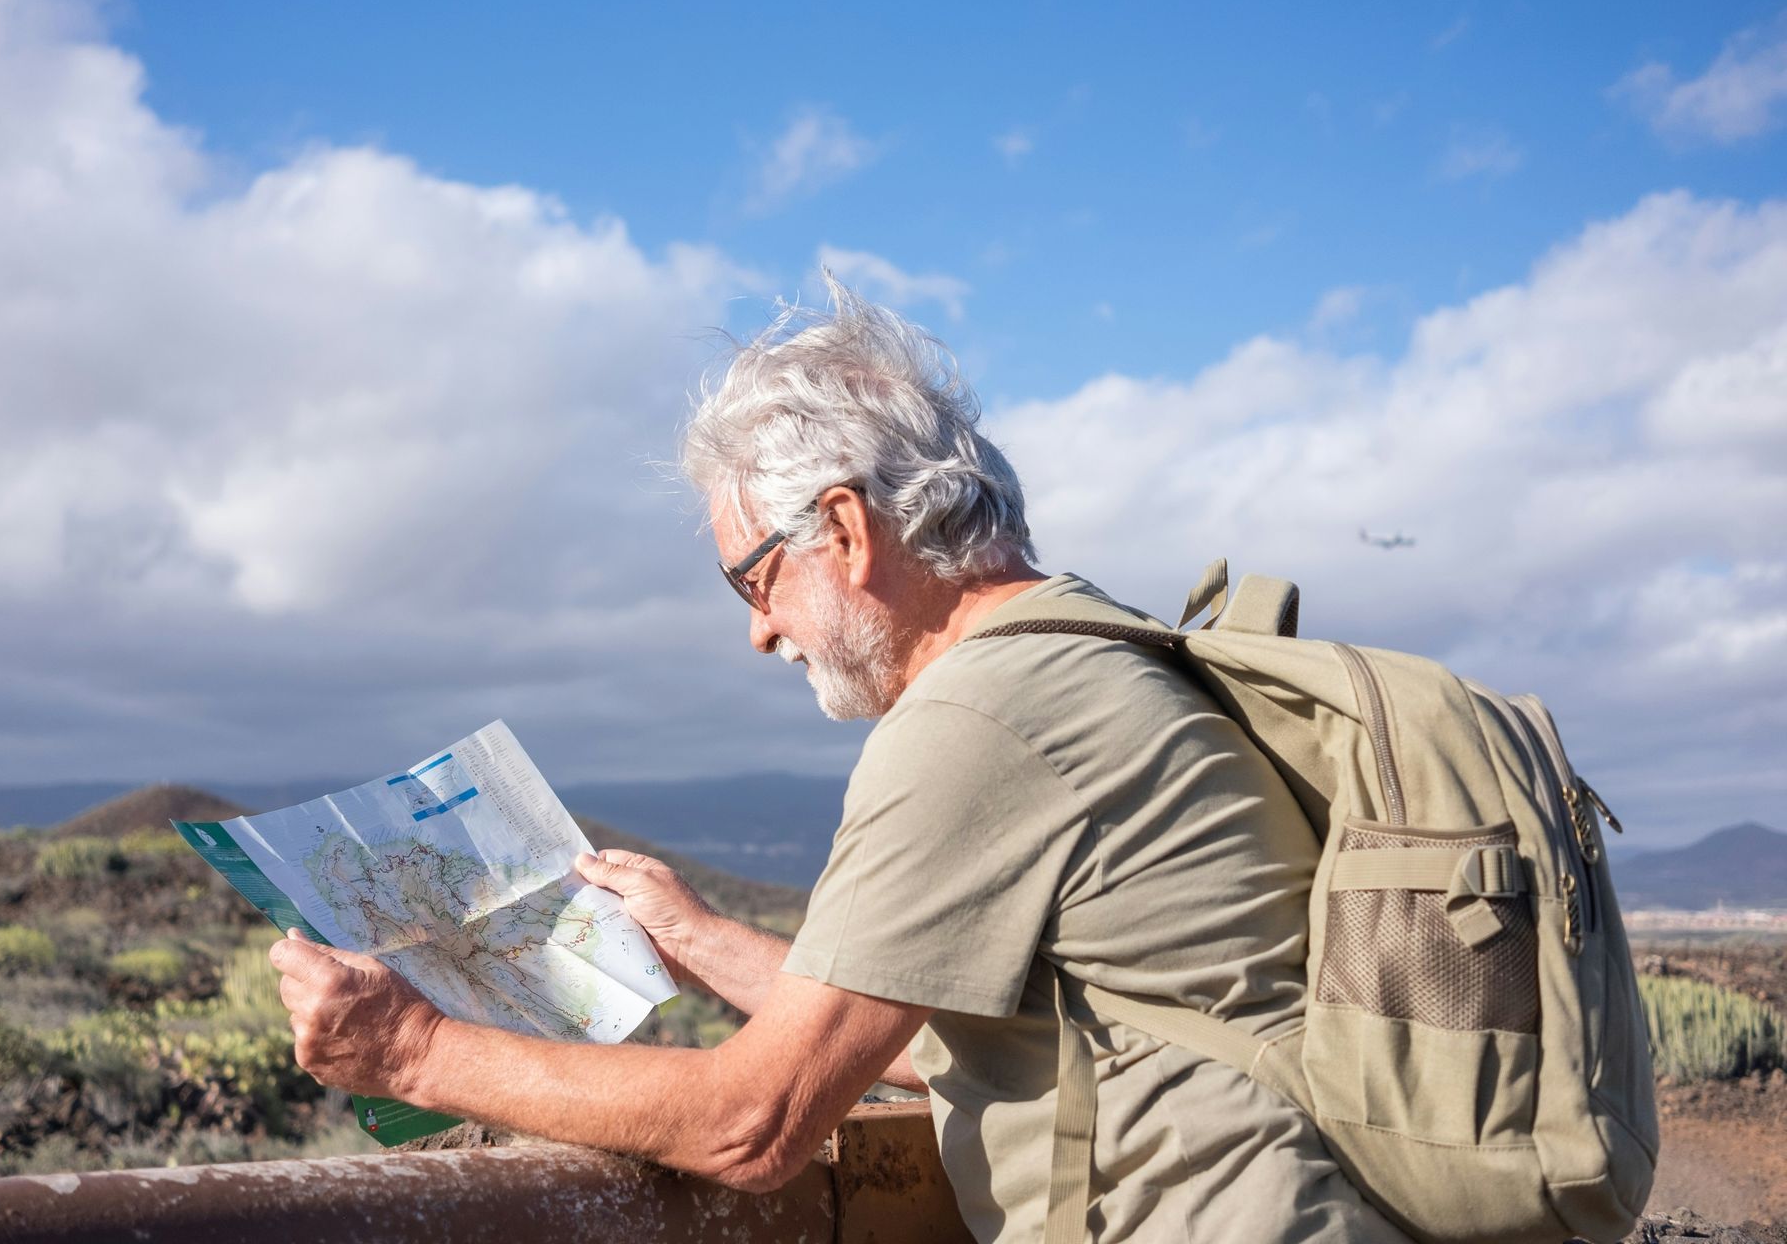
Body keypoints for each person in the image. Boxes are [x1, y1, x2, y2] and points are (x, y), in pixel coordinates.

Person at [271, 278, 1409, 1242]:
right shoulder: (1098, 655)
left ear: (847, 530)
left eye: (751, 581)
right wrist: (702, 939)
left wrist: (409, 1047)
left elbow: (752, 1121)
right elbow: (944, 1043)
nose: (758, 631)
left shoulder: (981, 720)